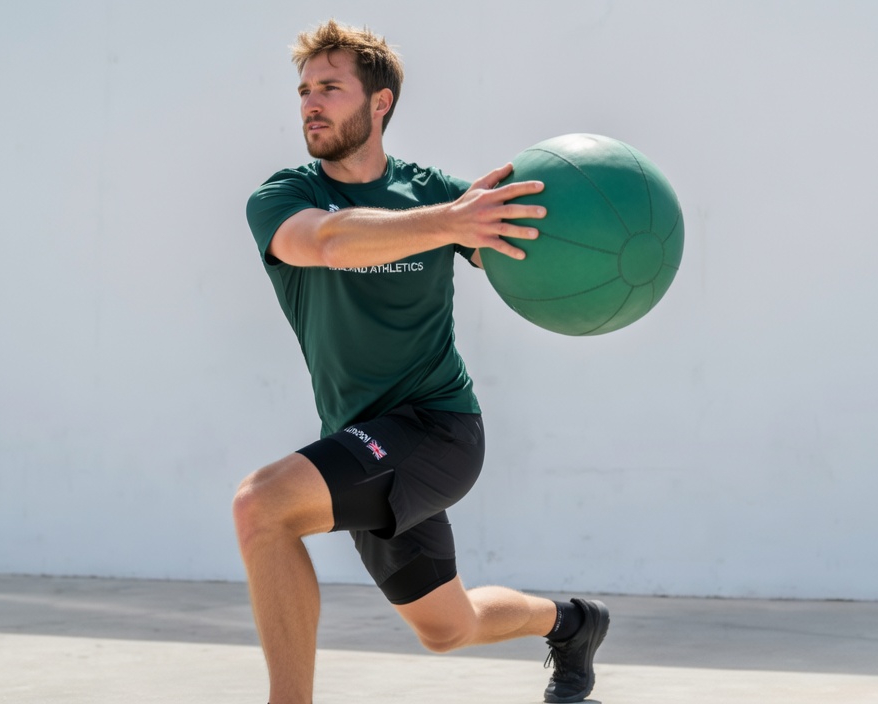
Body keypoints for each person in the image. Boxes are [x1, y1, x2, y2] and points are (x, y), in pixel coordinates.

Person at [237, 19, 609, 704]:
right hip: (361, 440)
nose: (311, 104)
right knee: (447, 626)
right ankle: (573, 623)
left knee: (262, 506)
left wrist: (603, 255)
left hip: (439, 429)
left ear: (380, 103)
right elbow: (322, 243)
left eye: (331, 88)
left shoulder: (436, 192)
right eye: (304, 90)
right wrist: (449, 223)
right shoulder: (284, 197)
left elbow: (538, 243)